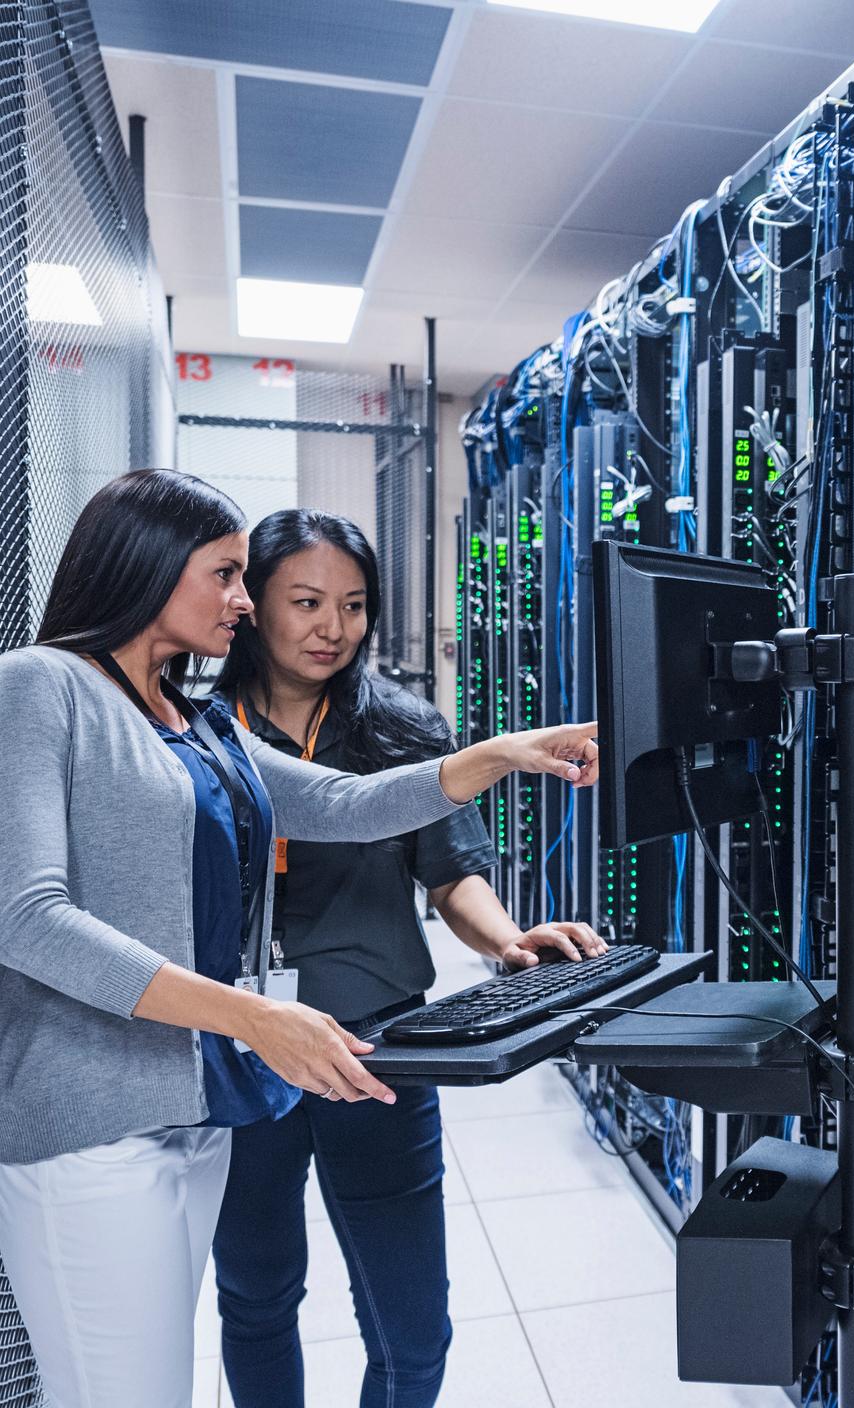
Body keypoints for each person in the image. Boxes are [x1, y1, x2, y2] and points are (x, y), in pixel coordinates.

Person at [0, 470, 599, 1408]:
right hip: (97, 1117)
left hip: (194, 1106)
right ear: (146, 566)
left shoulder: (188, 722)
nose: (243, 599)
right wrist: (254, 1017)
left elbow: (344, 803)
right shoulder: (41, 687)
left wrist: (498, 754)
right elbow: (24, 917)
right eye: (228, 574)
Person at [208, 509, 607, 1407]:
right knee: (257, 1299)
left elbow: (451, 872)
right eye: (306, 602)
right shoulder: (198, 731)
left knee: (413, 1328)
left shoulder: (403, 728)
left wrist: (508, 940)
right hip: (242, 1051)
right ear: (252, 602)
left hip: (382, 1052)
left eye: (353, 605)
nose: (332, 628)